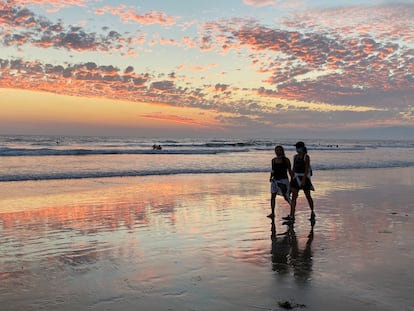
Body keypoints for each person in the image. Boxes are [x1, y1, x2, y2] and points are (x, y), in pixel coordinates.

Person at [284, 141, 314, 223]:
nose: (297, 149)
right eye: (296, 147)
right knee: (294, 197)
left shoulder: (306, 157)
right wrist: (291, 179)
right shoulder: (295, 157)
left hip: (304, 178)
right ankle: (292, 215)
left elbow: (307, 169)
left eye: (298, 147)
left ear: (302, 148)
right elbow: (293, 168)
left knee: (308, 196)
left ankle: (312, 211)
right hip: (296, 177)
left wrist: (304, 180)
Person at [268, 145, 293, 218]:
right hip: (275, 180)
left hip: (283, 180)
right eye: (276, 150)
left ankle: (292, 210)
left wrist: (292, 181)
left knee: (286, 197)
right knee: (273, 196)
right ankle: (272, 213)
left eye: (279, 150)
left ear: (282, 151)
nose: (277, 151)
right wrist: (270, 177)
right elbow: (273, 170)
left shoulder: (286, 160)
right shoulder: (273, 160)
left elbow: (290, 171)